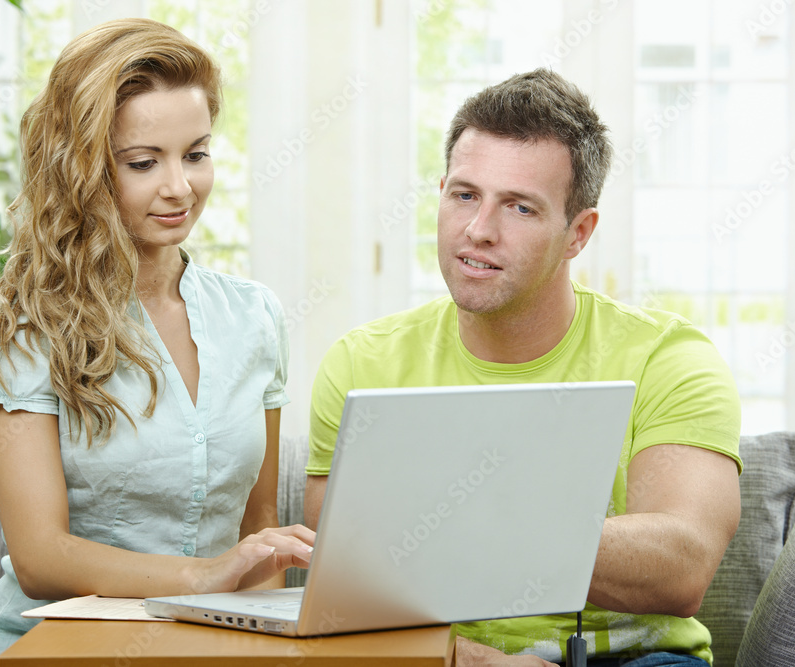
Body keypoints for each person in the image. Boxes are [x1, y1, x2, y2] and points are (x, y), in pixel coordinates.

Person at [304, 69, 742, 666]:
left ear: (577, 233)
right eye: (464, 195)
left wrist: (441, 522)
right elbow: (344, 591)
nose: (478, 231)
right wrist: (473, 659)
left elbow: (679, 568)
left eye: (520, 208)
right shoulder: (362, 362)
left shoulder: (671, 360)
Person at [0, 18, 314, 666]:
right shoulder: (26, 330)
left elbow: (258, 526)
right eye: (144, 162)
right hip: (51, 654)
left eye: (197, 153)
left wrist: (255, 648)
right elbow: (41, 557)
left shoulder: (253, 316)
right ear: (83, 169)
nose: (180, 187)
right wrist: (202, 578)